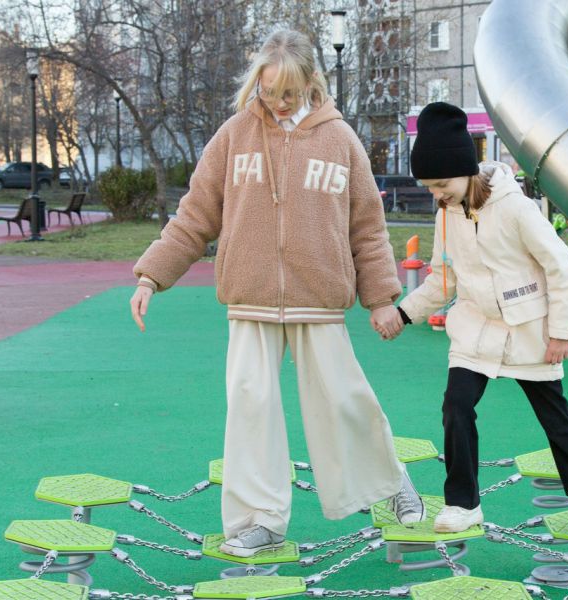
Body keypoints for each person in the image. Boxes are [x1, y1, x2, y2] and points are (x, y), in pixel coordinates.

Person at [128, 30, 424, 557]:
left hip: (318, 294)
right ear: (256, 84)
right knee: (251, 404)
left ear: (311, 82)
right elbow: (195, 215)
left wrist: (382, 298)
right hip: (251, 295)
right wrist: (152, 275)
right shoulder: (234, 136)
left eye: (288, 92)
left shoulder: (340, 140)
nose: (278, 102)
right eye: (268, 92)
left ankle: (390, 480)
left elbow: (367, 227)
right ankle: (259, 519)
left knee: (344, 398)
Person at [389, 102, 568, 538]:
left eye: (441, 184)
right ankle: (463, 503)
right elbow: (443, 279)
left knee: (554, 415)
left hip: (529, 328)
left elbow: (560, 266)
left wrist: (561, 332)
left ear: (465, 171)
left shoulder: (515, 209)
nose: (436, 194)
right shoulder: (446, 215)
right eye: (429, 186)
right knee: (456, 406)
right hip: (476, 327)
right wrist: (404, 313)